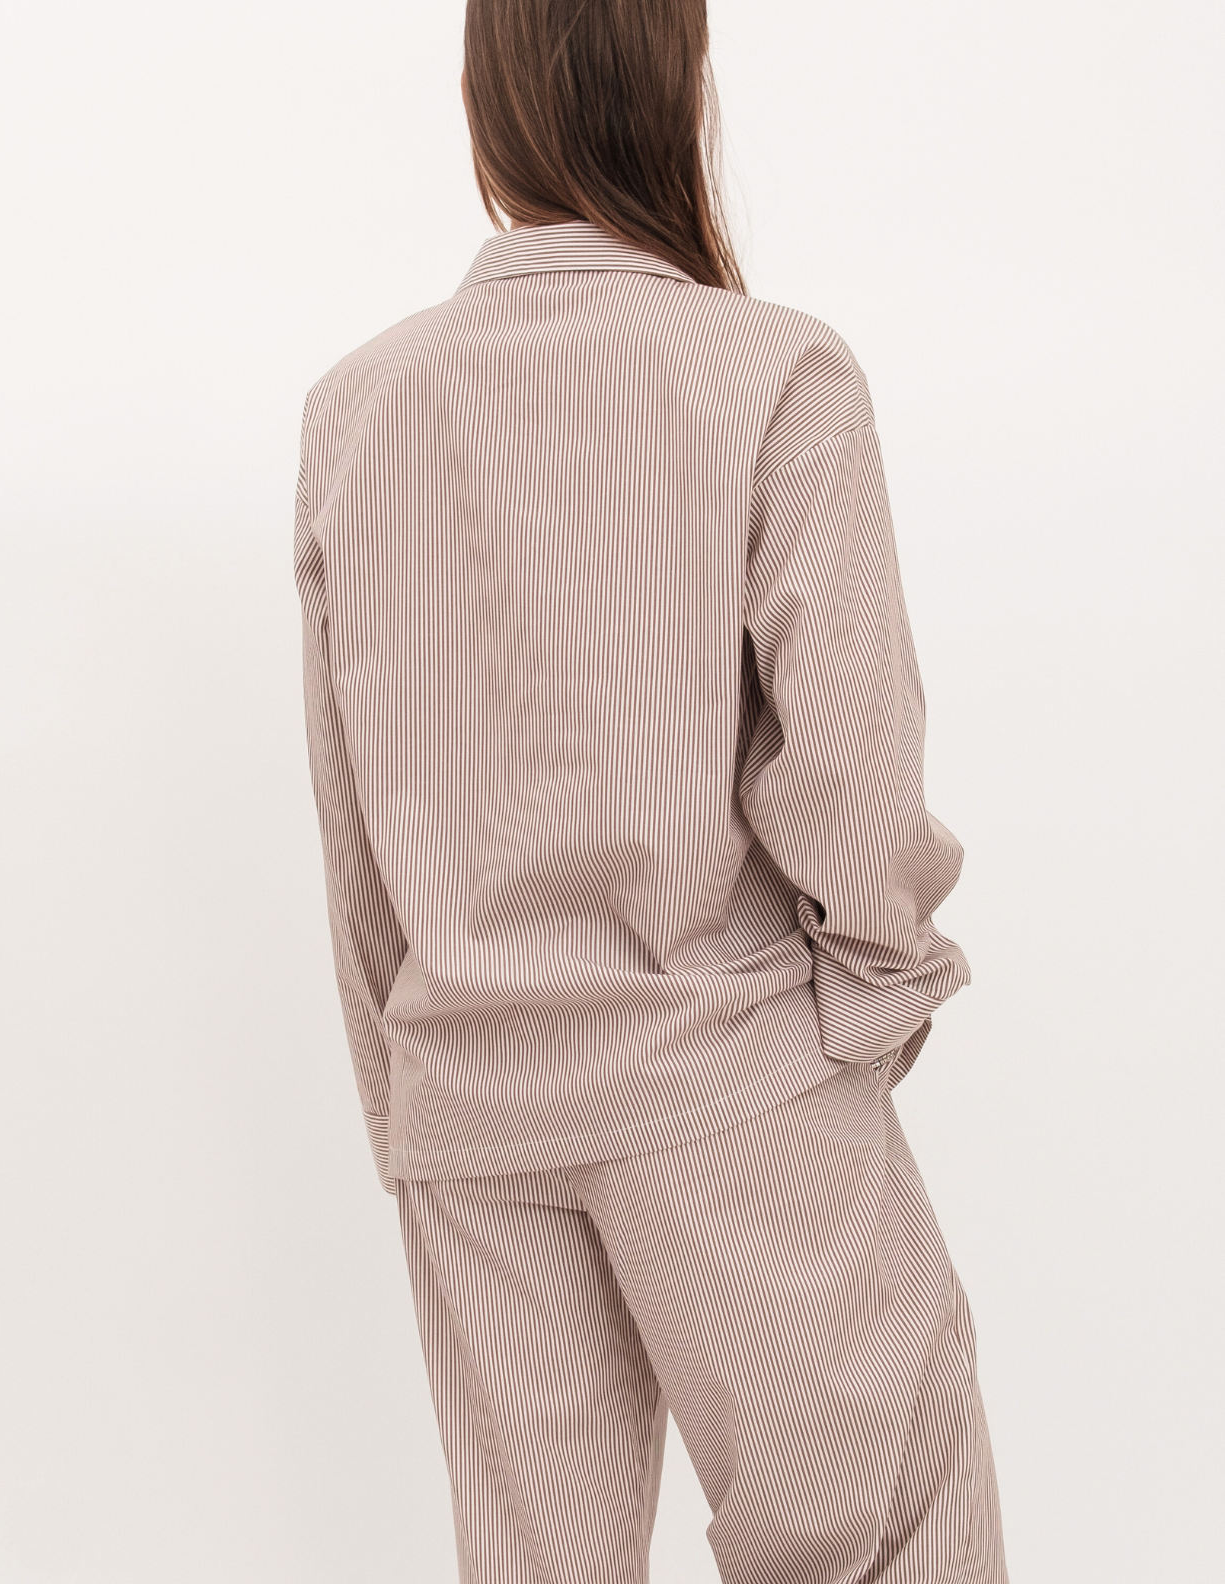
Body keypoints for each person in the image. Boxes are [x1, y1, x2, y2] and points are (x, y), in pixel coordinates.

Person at [295, 2, 1006, 1579]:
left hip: (474, 1105)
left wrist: (417, 1106)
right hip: (723, 1079)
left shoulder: (358, 406)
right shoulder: (776, 369)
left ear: (483, 102)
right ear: (682, 92)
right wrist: (875, 997)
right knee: (885, 1536)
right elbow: (853, 772)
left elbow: (354, 834)